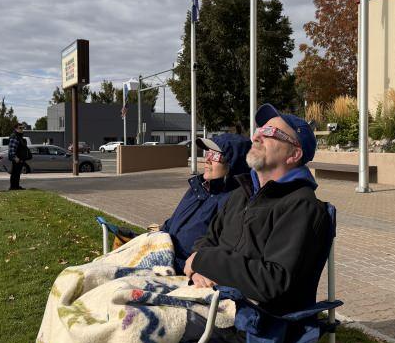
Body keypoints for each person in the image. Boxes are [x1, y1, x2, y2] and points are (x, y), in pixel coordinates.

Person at [184, 103, 329, 316]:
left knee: (136, 319)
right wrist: (198, 270)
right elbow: (208, 239)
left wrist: (204, 261)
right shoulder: (241, 193)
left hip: (254, 321)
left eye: (270, 132)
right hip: (210, 297)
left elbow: (272, 282)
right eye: (259, 130)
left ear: (294, 154)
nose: (256, 136)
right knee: (123, 292)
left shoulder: (301, 206)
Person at [111, 133, 251, 273]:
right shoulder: (198, 189)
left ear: (234, 164)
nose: (207, 160)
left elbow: (220, 251)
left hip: (180, 268)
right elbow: (171, 224)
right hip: (161, 252)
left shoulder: (234, 202)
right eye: (207, 154)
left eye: (215, 156)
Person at [7, 123, 31, 191]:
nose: (22, 129)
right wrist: (15, 157)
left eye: (22, 128)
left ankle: (16, 186)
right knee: (15, 173)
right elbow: (12, 148)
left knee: (17, 173)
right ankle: (13, 187)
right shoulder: (15, 136)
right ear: (16, 129)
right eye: (20, 128)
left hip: (20, 158)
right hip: (16, 158)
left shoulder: (19, 136)